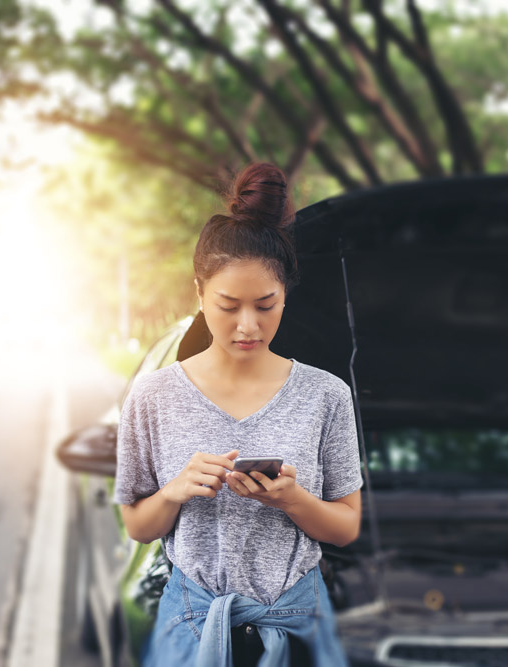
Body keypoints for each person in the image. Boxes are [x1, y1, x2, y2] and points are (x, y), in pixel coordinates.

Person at [112, 162, 364, 666]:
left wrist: (293, 499)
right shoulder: (153, 396)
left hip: (299, 635)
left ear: (286, 295)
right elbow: (137, 526)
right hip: (190, 630)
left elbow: (346, 527)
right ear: (199, 294)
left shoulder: (326, 395)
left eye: (266, 305)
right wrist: (175, 490)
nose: (248, 326)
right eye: (229, 306)